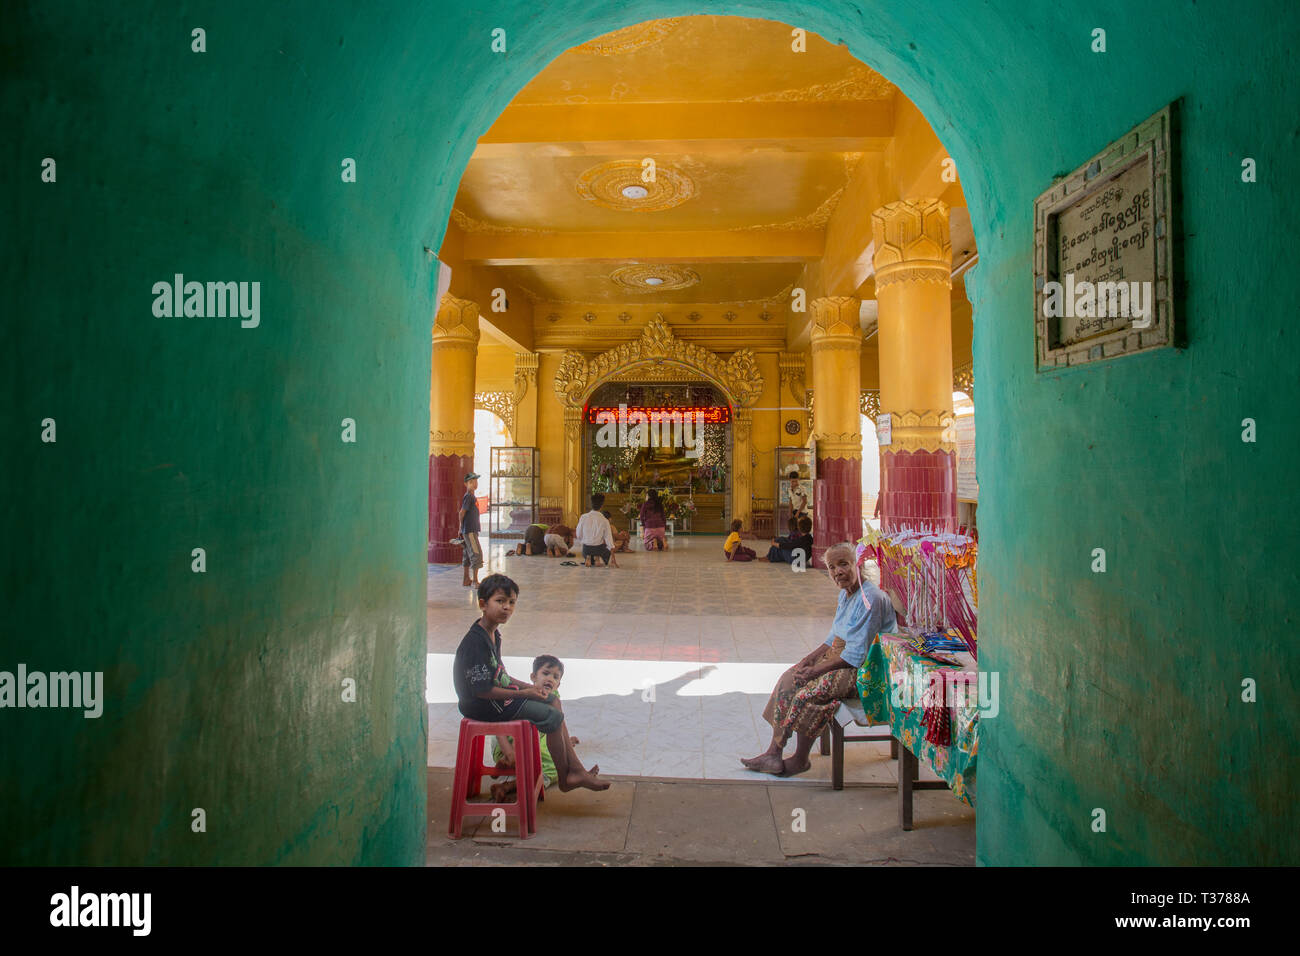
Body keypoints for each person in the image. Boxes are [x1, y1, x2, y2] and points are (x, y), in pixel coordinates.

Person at [742, 542, 898, 776]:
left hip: (867, 668)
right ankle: (774, 752)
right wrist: (808, 660)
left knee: (808, 693)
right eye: (832, 567)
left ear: (858, 565)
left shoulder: (871, 598)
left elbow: (856, 655)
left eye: (844, 564)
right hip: (842, 657)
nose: (838, 572)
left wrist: (817, 671)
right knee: (790, 678)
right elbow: (833, 637)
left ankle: (800, 759)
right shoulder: (846, 595)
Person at [452, 574, 609, 793]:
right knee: (552, 717)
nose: (506, 608)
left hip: (494, 702)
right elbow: (483, 691)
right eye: (500, 601)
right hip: (482, 706)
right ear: (482, 604)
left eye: (511, 602)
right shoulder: (476, 642)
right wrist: (523, 694)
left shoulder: (493, 634)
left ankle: (575, 771)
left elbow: (502, 677)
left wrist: (531, 688)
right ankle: (566, 777)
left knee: (552, 700)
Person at [487, 655, 578, 801]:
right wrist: (509, 751)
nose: (550, 679)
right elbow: (499, 725)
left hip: (526, 750)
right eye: (546, 673)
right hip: (506, 746)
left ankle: (505, 786)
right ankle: (509, 762)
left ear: (558, 684)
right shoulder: (524, 694)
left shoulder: (553, 698)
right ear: (533, 677)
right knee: (553, 767)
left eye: (555, 677)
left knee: (555, 765)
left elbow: (558, 724)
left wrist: (565, 741)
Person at [574, 493, 619, 567]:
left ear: (591, 504)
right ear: (602, 506)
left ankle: (588, 557)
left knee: (589, 546)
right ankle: (597, 558)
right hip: (598, 549)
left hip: (585, 549)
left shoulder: (583, 517)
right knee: (603, 546)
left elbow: (578, 534)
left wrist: (585, 541)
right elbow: (609, 540)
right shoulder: (604, 520)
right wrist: (613, 558)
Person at [457, 472, 484, 588]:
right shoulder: (469, 496)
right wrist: (460, 527)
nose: (474, 484)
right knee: (476, 553)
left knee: (467, 554)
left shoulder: (471, 496)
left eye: (475, 481)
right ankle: (475, 581)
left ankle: (466, 579)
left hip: (469, 530)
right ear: (466, 484)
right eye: (471, 482)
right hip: (470, 530)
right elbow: (462, 513)